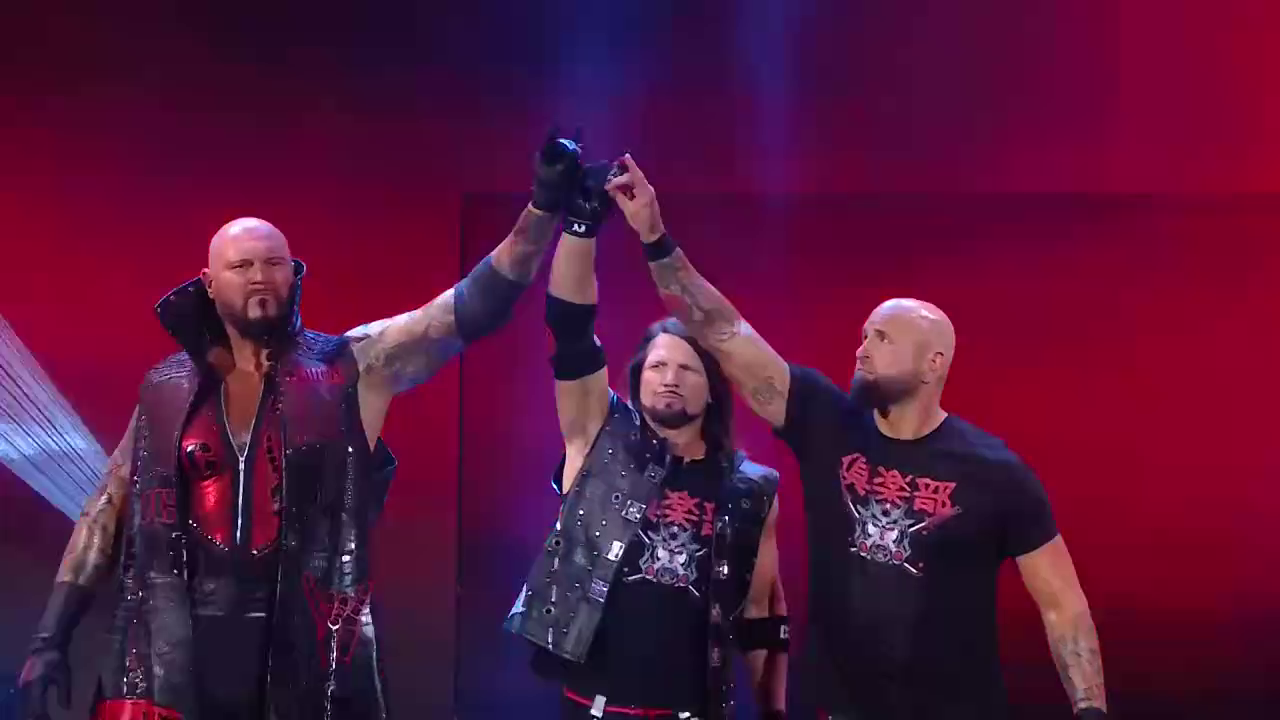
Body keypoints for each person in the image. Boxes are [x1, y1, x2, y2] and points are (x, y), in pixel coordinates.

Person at [16, 133, 585, 720]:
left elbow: (468, 309)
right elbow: (107, 508)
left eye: (274, 263)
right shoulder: (165, 388)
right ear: (209, 282)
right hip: (171, 657)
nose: (260, 276)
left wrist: (542, 207)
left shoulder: (351, 365)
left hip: (309, 659)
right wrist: (50, 637)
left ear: (294, 274)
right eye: (241, 266)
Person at [602, 154, 1108, 720]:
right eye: (864, 334)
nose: (862, 348)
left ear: (934, 362)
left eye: (883, 338)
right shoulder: (827, 424)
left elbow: (1063, 605)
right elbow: (722, 331)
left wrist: (1090, 710)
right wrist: (654, 236)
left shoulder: (994, 471)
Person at [504, 158, 789, 719]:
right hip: (593, 707)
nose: (669, 378)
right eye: (658, 366)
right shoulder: (599, 440)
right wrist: (581, 227)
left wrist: (773, 712)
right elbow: (571, 332)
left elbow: (761, 615)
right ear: (637, 379)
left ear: (713, 390)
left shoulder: (752, 489)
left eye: (687, 369)